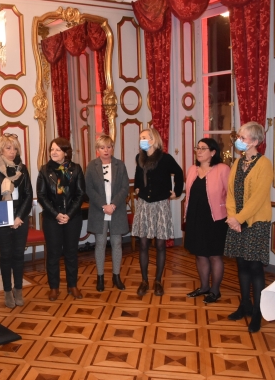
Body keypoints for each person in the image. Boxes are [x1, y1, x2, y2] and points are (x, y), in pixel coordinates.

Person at [224, 122, 272, 333]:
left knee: (254, 268)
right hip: (236, 222)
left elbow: (259, 198)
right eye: (239, 137)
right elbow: (231, 193)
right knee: (241, 265)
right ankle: (245, 305)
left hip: (255, 222)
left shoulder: (264, 164)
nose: (239, 141)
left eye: (243, 138)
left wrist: (240, 218)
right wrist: (232, 216)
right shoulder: (237, 162)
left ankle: (258, 313)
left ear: (255, 141)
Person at [132, 128, 184, 297]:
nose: (141, 140)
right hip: (144, 205)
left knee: (160, 245)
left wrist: (177, 191)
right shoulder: (139, 158)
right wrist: (137, 187)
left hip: (161, 204)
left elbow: (179, 173)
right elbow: (138, 176)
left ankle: (158, 281)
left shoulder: (165, 158)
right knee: (144, 244)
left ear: (153, 140)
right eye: (140, 138)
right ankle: (144, 281)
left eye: (144, 137)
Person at [0, 134, 33, 308]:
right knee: (6, 256)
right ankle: (7, 291)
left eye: (15, 148)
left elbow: (28, 195)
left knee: (18, 255)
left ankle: (18, 290)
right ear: (0, 150)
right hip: (2, 219)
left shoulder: (23, 169)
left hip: (20, 217)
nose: (12, 152)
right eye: (8, 148)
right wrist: (7, 219)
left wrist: (19, 217)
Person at [37, 137, 86, 301]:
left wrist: (69, 214)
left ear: (66, 152)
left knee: (71, 253)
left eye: (57, 149)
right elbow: (41, 196)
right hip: (52, 218)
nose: (54, 152)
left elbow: (80, 194)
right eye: (52, 149)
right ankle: (54, 287)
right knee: (53, 253)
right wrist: (57, 214)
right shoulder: (44, 170)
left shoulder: (76, 169)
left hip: (72, 217)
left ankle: (72, 285)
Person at [184, 138, 230, 304]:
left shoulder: (222, 169)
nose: (199, 151)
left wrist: (232, 216)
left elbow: (230, 195)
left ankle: (215, 290)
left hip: (215, 219)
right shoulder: (192, 170)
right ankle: (204, 287)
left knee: (214, 256)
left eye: (203, 148)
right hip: (195, 218)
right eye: (198, 148)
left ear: (213, 152)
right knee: (200, 254)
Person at [85, 135, 129, 292]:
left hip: (116, 211)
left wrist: (113, 205)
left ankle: (116, 276)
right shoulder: (91, 166)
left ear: (112, 148)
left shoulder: (120, 165)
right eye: (102, 147)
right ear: (97, 150)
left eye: (109, 147)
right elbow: (88, 189)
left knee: (117, 243)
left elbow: (125, 188)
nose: (106, 150)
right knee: (100, 244)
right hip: (99, 210)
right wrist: (104, 205)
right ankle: (100, 277)